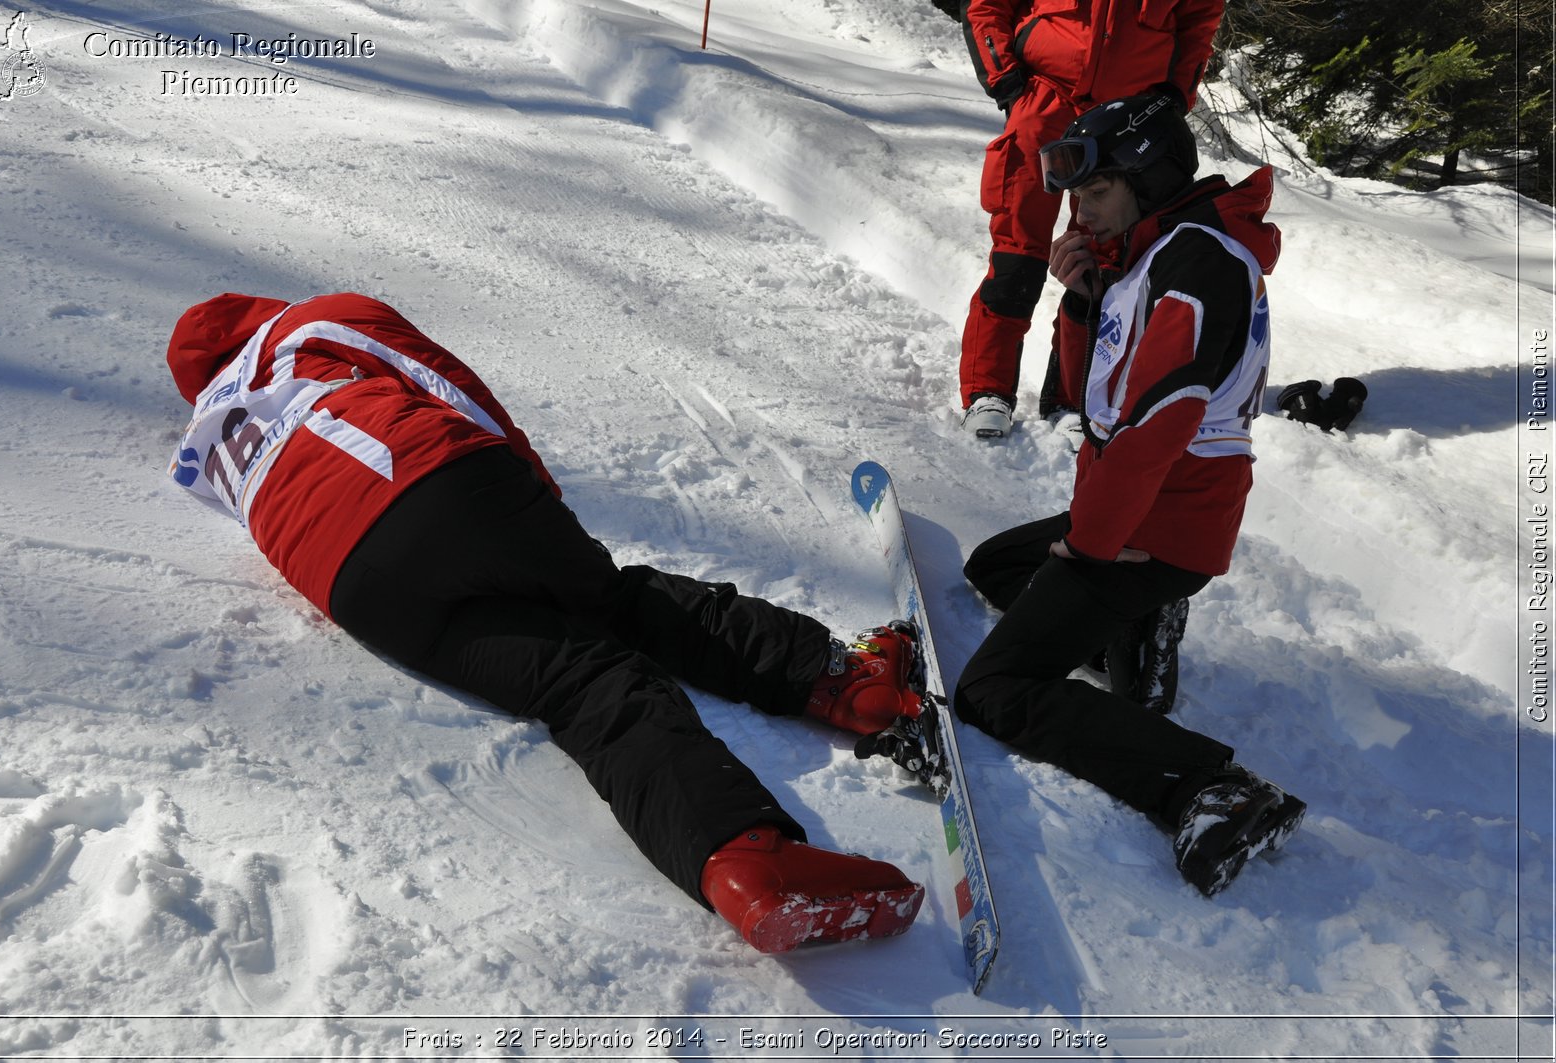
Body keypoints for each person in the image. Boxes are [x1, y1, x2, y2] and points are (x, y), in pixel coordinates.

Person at [165, 291, 928, 953]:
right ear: (253, 315)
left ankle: (743, 862)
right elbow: (450, 386)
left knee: (581, 682)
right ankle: (845, 682)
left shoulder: (208, 446)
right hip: (438, 480)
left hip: (358, 590)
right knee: (616, 601)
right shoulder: (309, 324)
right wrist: (536, 498)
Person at [951, 95, 1306, 896]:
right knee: (997, 565)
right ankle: (1138, 624)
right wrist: (1081, 299)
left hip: (1161, 522)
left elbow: (1155, 425)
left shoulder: (1198, 264)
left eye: (1096, 190)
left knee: (991, 690)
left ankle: (1213, 787)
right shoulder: (1150, 256)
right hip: (1137, 513)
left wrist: (1094, 544)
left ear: (1146, 178)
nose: (1078, 211)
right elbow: (1092, 397)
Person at [955, 0, 1226, 439]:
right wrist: (1006, 78)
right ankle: (988, 390)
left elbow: (1199, 19)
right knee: (1017, 255)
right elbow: (986, 5)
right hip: (1044, 98)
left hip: (1127, 114)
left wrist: (1174, 94)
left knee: (1102, 262)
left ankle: (1075, 396)